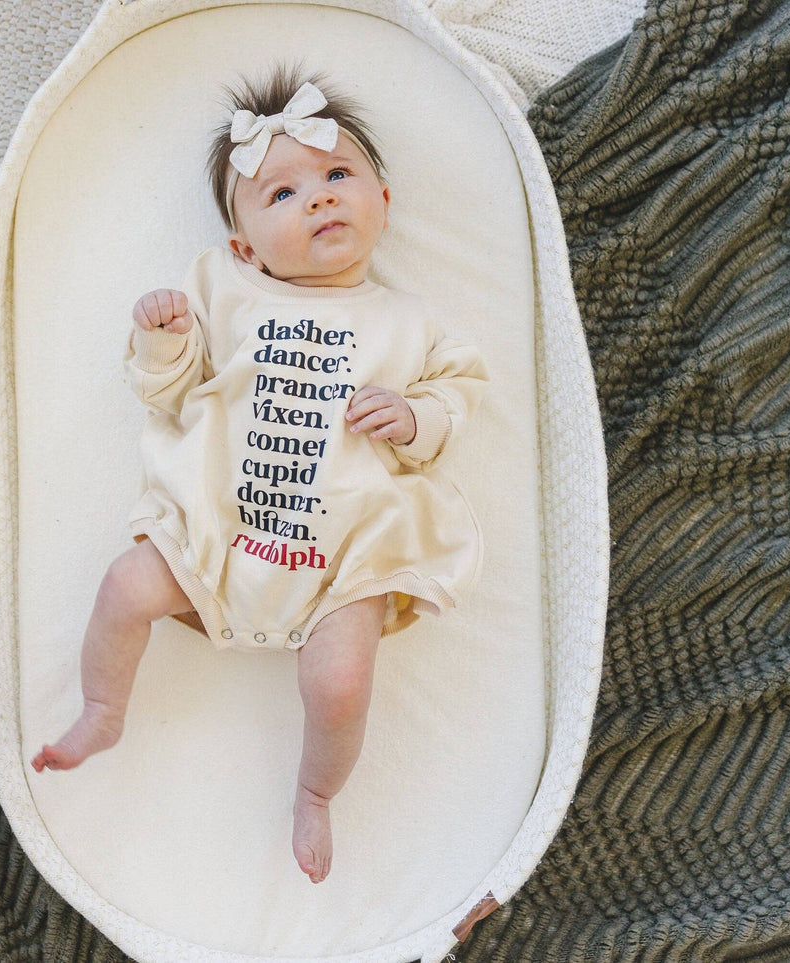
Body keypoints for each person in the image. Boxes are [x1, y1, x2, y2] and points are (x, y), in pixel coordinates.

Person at [30, 62, 491, 886]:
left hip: (345, 552)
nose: (316, 197)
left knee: (341, 681)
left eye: (337, 175)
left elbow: (458, 396)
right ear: (243, 245)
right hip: (218, 530)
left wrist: (415, 415)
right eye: (281, 195)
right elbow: (165, 395)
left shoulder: (407, 320)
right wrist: (166, 338)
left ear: (382, 201)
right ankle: (102, 710)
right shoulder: (222, 288)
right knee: (126, 586)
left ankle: (315, 790)